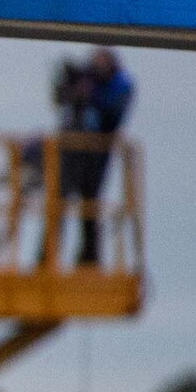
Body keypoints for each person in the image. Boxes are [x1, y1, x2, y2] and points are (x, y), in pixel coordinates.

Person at [54, 44, 134, 266]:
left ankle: (89, 257)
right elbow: (60, 100)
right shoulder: (89, 80)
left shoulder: (118, 85)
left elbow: (113, 112)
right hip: (71, 150)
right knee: (59, 201)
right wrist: (72, 87)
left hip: (96, 153)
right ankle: (48, 255)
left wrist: (92, 94)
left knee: (89, 204)